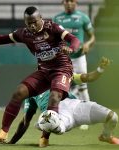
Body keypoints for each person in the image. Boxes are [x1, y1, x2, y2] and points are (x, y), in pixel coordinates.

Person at [0, 6, 80, 142]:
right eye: (29, 23)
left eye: (35, 22)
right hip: (44, 71)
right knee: (19, 92)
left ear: (41, 18)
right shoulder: (24, 34)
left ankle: (45, 136)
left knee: (54, 96)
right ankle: (3, 132)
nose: (32, 26)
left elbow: (74, 39)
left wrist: (71, 48)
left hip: (62, 69)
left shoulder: (53, 27)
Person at [6, 57, 111, 147]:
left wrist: (100, 69)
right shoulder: (31, 91)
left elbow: (88, 77)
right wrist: (12, 142)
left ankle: (107, 134)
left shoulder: (64, 76)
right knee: (48, 117)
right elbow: (25, 121)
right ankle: (45, 135)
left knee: (110, 117)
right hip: (58, 119)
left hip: (75, 109)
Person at [53, 0, 95, 130]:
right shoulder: (56, 18)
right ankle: (66, 117)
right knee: (64, 88)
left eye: (71, 1)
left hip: (79, 57)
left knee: (83, 86)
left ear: (76, 2)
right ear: (63, 3)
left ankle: (86, 117)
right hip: (64, 59)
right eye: (66, 1)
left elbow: (92, 36)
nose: (69, 3)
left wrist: (88, 44)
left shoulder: (83, 17)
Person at [36, 98, 119, 145]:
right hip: (64, 117)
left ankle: (106, 136)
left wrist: (101, 69)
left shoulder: (63, 76)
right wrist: (44, 132)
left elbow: (86, 78)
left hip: (79, 106)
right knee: (55, 126)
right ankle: (43, 131)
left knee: (113, 117)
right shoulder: (35, 91)